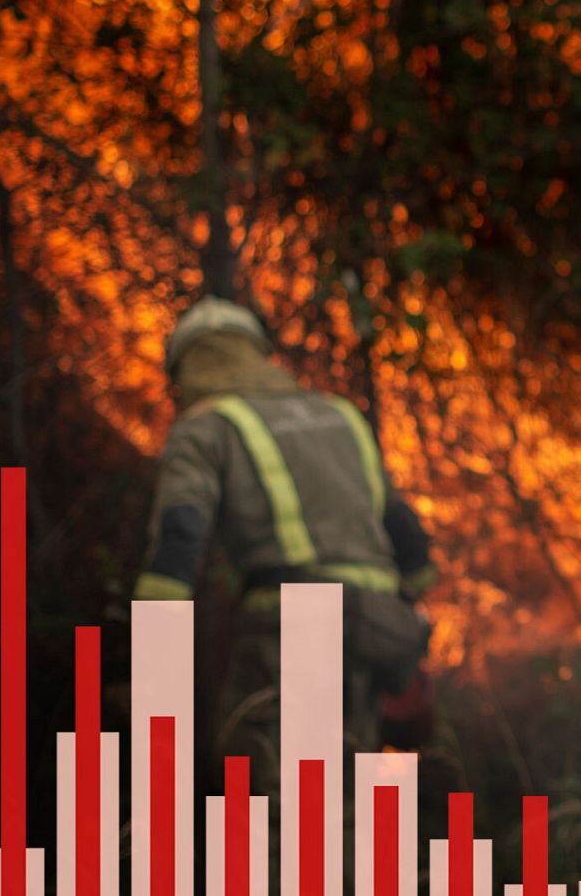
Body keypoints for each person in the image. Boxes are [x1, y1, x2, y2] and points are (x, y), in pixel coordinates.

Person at [133, 296, 436, 802]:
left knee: (270, 794)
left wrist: (149, 651)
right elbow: (409, 540)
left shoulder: (205, 427)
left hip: (294, 627)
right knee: (346, 790)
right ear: (257, 353)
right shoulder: (339, 415)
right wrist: (401, 621)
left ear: (185, 367)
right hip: (375, 628)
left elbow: (182, 533)